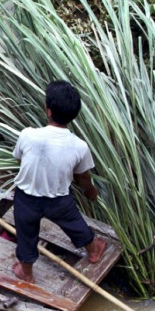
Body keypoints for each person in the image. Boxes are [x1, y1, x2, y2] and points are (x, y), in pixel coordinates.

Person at [11, 80, 106, 283]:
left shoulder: (27, 135)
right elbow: (83, 178)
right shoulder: (80, 146)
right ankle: (94, 251)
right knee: (75, 224)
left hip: (26, 200)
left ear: (49, 111)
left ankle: (26, 273)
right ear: (74, 115)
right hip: (58, 201)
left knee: (26, 236)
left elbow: (20, 160)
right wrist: (91, 192)